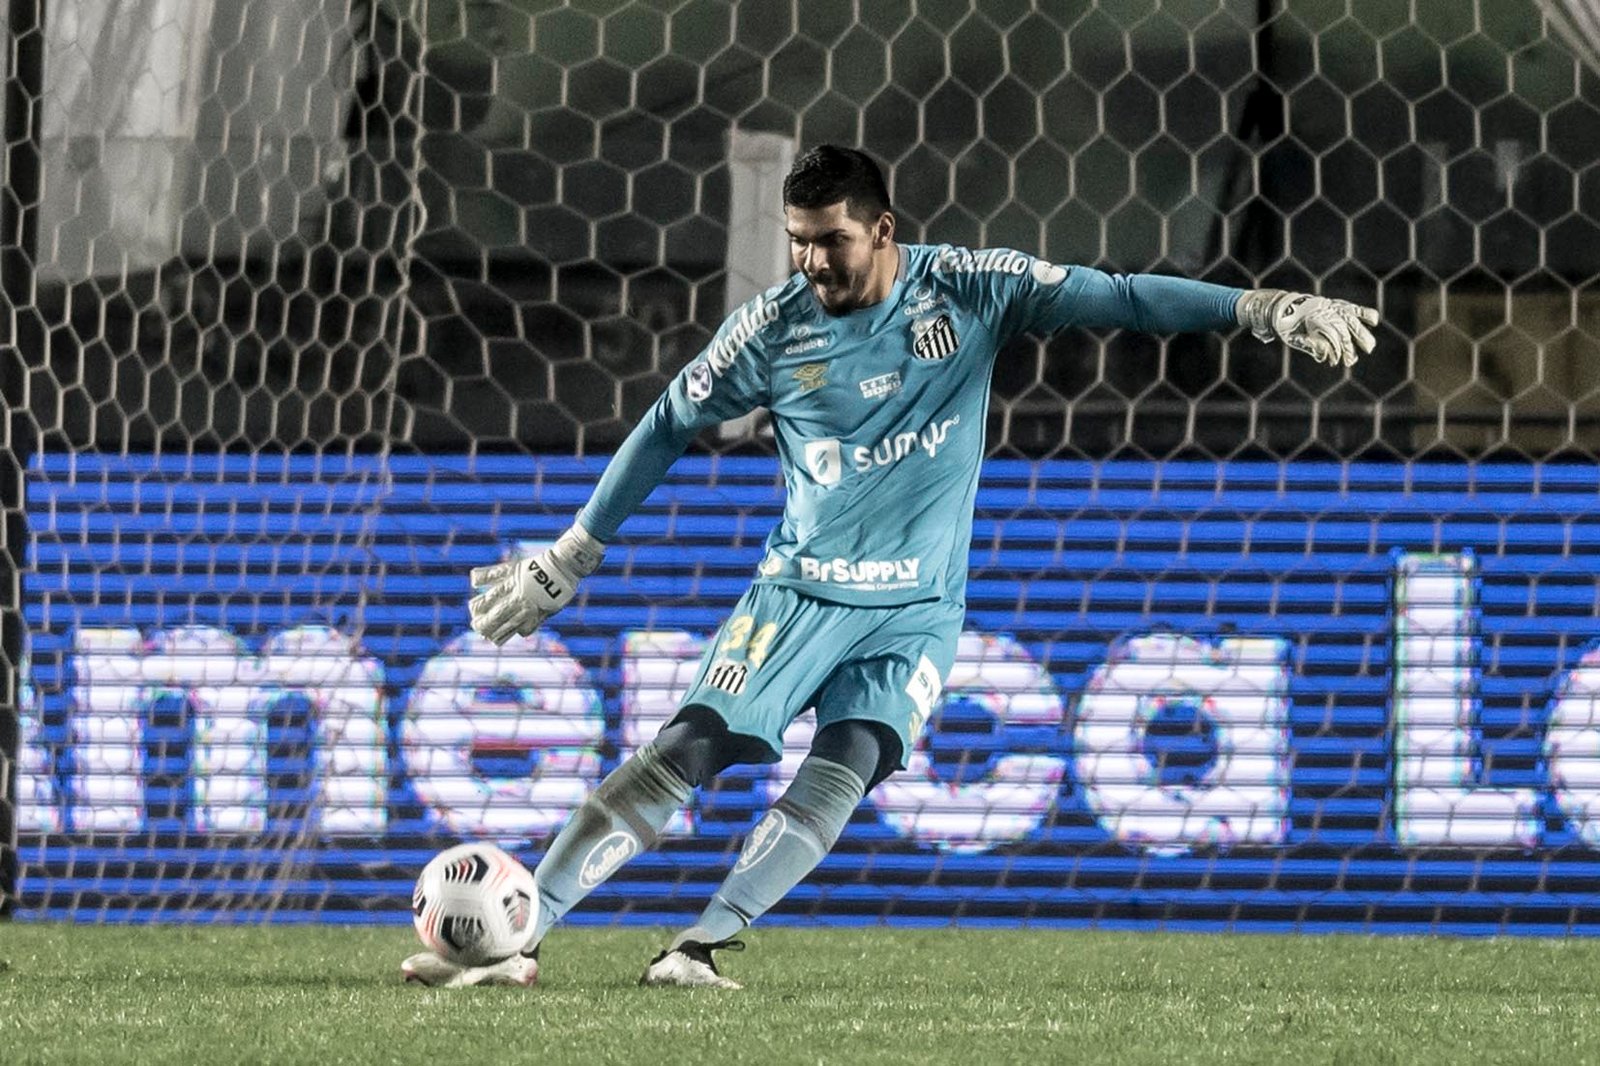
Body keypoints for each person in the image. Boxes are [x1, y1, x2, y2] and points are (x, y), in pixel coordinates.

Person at [401, 144, 1379, 989]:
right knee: (691, 746)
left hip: (917, 605)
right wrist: (573, 552)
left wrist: (1260, 307)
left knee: (851, 762)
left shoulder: (972, 287)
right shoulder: (773, 329)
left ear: (882, 230)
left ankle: (699, 947)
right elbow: (668, 422)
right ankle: (522, 933)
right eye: (798, 240)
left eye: (831, 239)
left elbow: (1120, 296)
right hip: (798, 592)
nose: (812, 259)